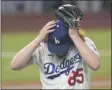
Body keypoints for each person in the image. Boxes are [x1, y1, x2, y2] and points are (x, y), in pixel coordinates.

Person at [11, 4, 100, 89]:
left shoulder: (83, 43)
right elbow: (15, 65)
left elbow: (95, 64)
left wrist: (75, 36)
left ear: (70, 40)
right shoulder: (43, 48)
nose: (59, 52)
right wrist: (38, 39)